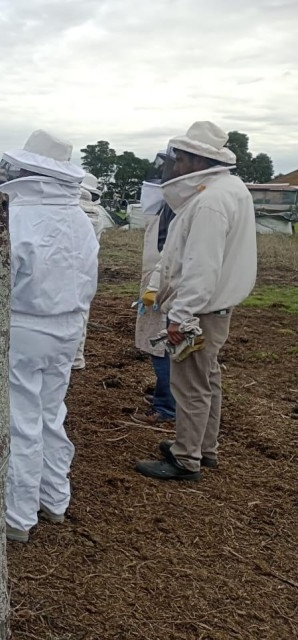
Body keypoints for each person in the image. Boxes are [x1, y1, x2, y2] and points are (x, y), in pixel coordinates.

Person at [135, 121, 257, 481]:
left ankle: (186, 458)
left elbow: (201, 268)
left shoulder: (210, 201)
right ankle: (205, 448)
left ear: (199, 161)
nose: (177, 167)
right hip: (213, 308)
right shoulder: (229, 191)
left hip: (201, 311)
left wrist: (181, 316)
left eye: (182, 160)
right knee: (208, 379)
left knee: (189, 386)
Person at [0, 130, 98, 543]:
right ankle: (55, 499)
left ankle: (17, 516)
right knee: (52, 415)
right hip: (68, 328)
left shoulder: (17, 216)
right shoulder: (80, 218)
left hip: (24, 325)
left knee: (21, 419)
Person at [132, 154, 178, 426]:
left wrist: (154, 287)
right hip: (159, 284)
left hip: (165, 289)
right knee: (161, 344)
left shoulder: (178, 208)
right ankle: (165, 395)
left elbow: (171, 253)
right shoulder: (168, 206)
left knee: (164, 347)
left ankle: (166, 408)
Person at [72, 173, 114, 370]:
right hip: (87, 266)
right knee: (82, 310)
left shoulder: (78, 210)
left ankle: (74, 357)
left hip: (68, 265)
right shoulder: (97, 212)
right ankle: (77, 356)